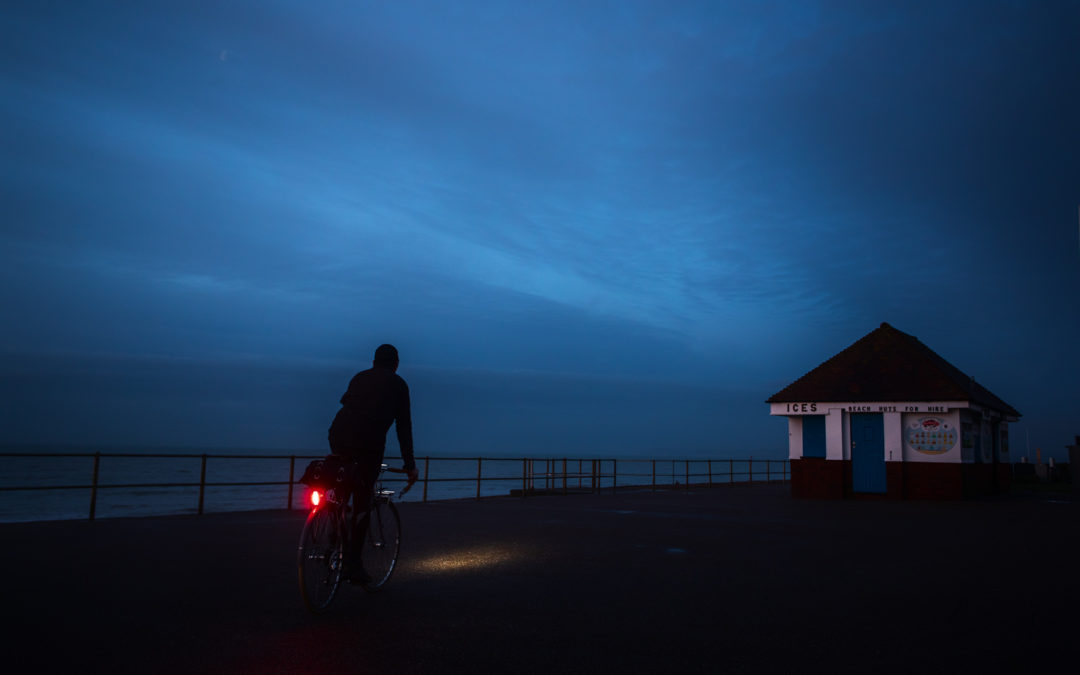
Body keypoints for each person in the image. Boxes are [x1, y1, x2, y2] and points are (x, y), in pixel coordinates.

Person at [327, 343, 418, 583]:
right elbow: (403, 427)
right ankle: (353, 566)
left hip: (337, 435)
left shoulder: (359, 377)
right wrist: (409, 464)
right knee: (362, 501)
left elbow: (346, 402)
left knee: (341, 488)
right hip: (368, 445)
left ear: (374, 361)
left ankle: (331, 537)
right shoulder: (399, 385)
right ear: (396, 364)